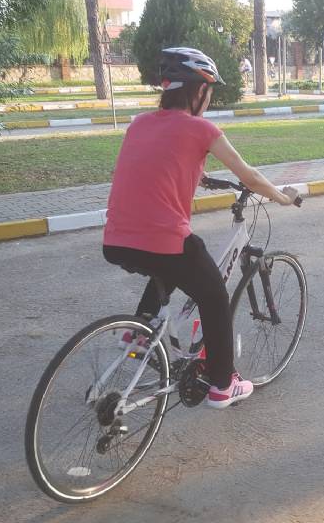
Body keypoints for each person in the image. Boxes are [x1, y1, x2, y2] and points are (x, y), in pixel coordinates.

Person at [103, 47, 299, 409]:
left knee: (169, 262)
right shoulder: (200, 129)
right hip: (162, 240)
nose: (207, 101)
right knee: (213, 295)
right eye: (208, 93)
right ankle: (224, 385)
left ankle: (139, 331)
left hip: (115, 240)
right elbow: (249, 175)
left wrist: (200, 175)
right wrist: (281, 197)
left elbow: (156, 162)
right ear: (198, 92)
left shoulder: (139, 123)